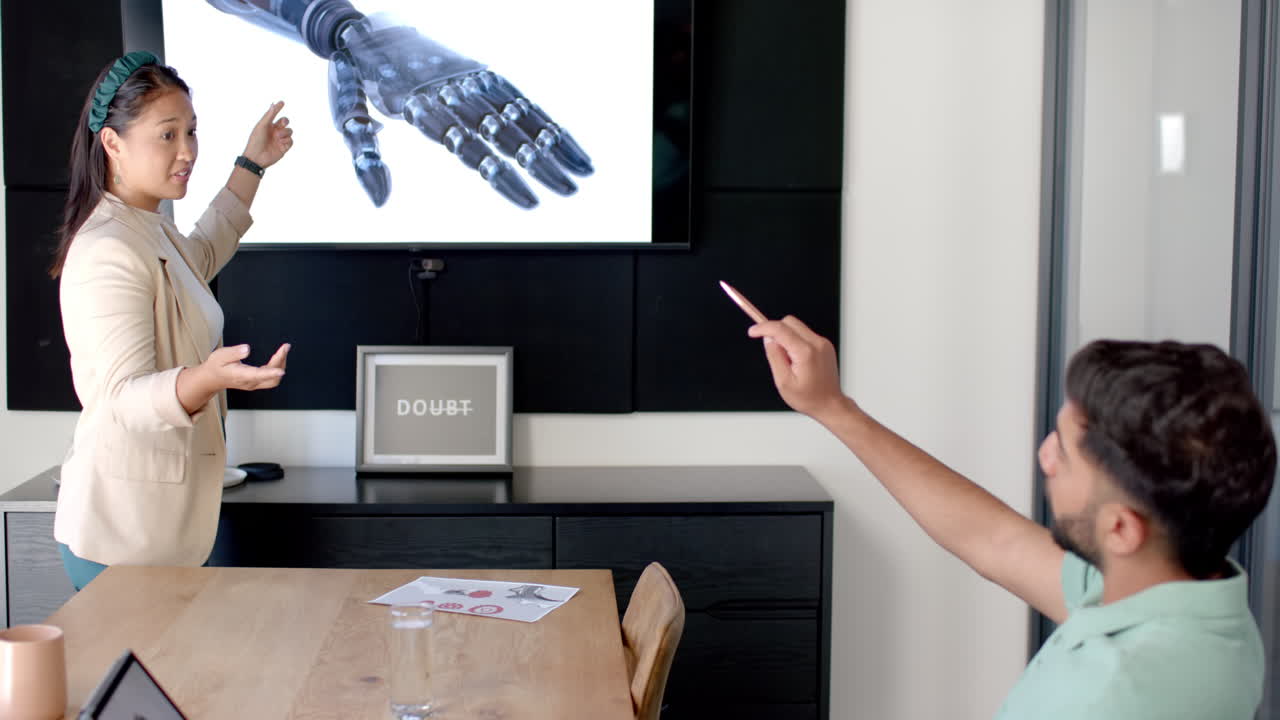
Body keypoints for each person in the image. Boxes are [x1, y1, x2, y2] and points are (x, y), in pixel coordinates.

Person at [747, 315, 1276, 718]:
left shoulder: (1105, 694)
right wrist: (833, 407)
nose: (1045, 456)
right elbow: (994, 539)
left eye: (1063, 453)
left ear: (1121, 529)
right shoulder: (1198, 604)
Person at [50, 51, 295, 590]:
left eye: (192, 131)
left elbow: (201, 253)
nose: (187, 151)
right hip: (123, 540)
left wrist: (250, 165)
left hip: (162, 533)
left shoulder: (147, 226)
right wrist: (209, 378)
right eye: (167, 135)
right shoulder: (107, 249)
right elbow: (120, 400)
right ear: (112, 144)